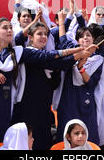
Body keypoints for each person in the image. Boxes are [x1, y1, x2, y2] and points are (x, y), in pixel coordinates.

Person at [0, 18, 93, 147]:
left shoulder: (16, 53)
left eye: (10, 27)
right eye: (5, 28)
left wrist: (79, 53)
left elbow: (51, 60)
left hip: (2, 103)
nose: (9, 30)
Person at [11, 20, 93, 150]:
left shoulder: (47, 56)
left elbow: (54, 72)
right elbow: (52, 62)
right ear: (30, 37)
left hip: (43, 107)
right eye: (39, 34)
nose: (43, 37)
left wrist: (78, 57)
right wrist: (77, 54)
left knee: (42, 141)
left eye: (45, 34)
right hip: (28, 106)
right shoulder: (27, 53)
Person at [53, 9, 104, 147]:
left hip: (85, 100)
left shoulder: (98, 59)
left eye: (88, 35)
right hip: (68, 98)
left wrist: (81, 68)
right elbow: (63, 39)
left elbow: (91, 83)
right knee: (66, 133)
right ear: (77, 40)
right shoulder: (72, 52)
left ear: (93, 39)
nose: (85, 38)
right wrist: (62, 20)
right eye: (82, 36)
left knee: (87, 136)